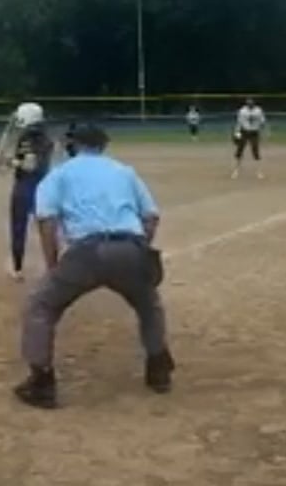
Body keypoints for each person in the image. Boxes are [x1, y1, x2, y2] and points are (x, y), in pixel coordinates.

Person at [14, 122, 174, 410]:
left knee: (42, 306)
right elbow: (150, 217)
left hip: (86, 251)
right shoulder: (124, 171)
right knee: (149, 304)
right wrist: (140, 248)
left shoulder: (59, 174)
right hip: (130, 245)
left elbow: (47, 221)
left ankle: (41, 382)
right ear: (102, 145)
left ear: (72, 145)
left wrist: (53, 265)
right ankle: (159, 368)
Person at [4, 101, 56, 281]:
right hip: (44, 185)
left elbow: (29, 165)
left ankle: (17, 267)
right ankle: (52, 266)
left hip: (26, 185)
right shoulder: (45, 136)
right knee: (47, 227)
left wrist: (10, 161)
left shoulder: (27, 137)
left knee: (19, 226)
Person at [232, 97, 267, 179]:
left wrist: (264, 131)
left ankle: (259, 172)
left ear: (254, 103)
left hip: (254, 132)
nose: (250, 104)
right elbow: (239, 123)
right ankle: (236, 171)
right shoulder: (242, 111)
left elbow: (262, 122)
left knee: (255, 151)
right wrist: (237, 133)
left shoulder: (258, 111)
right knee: (239, 151)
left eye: (251, 103)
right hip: (244, 132)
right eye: (248, 103)